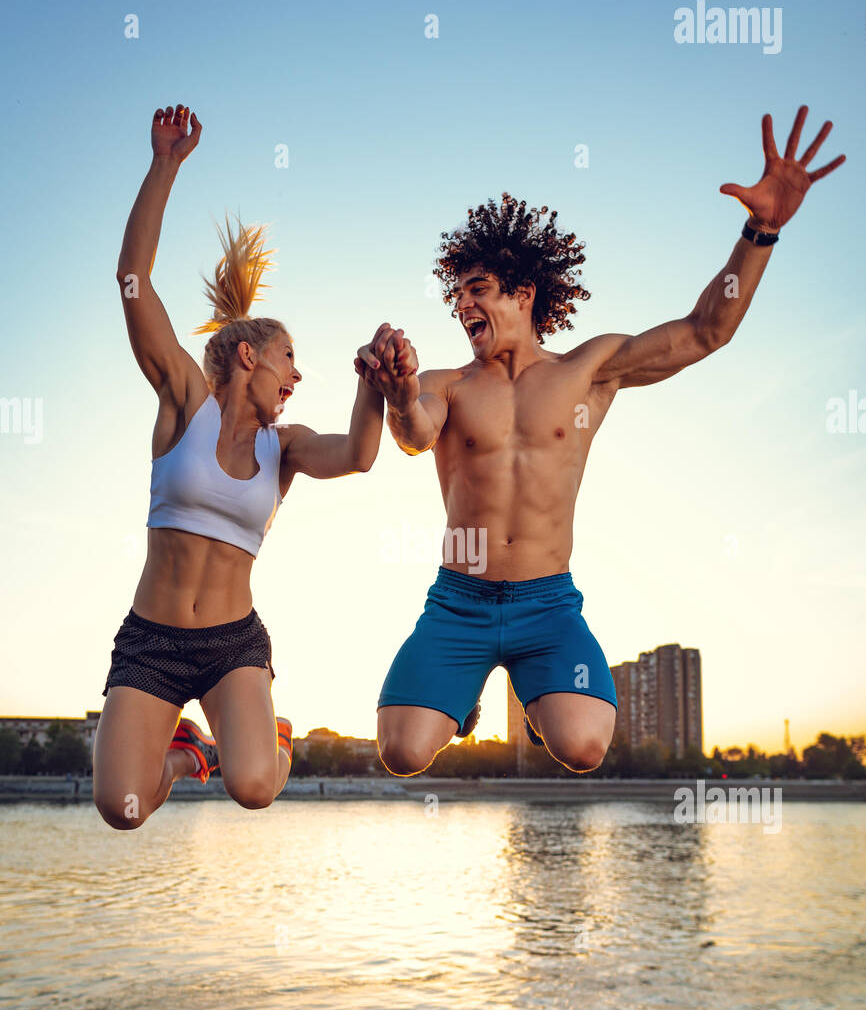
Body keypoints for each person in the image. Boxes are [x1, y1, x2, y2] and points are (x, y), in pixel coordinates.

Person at [355, 106, 845, 776]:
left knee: (582, 748)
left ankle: (536, 697)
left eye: (478, 291)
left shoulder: (590, 370)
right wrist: (400, 389)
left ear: (525, 292)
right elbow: (413, 437)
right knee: (403, 753)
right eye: (457, 296)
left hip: (547, 603)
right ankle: (460, 703)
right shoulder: (448, 383)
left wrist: (761, 230)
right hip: (458, 602)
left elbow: (706, 330)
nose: (463, 306)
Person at [93, 103, 385, 828]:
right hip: (152, 641)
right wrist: (166, 163)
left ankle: (262, 739)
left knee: (256, 786)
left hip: (231, 645)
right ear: (249, 356)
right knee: (121, 808)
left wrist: (372, 386)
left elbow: (358, 455)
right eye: (290, 358)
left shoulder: (282, 449)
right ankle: (190, 752)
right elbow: (132, 277)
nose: (296, 375)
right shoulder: (182, 403)